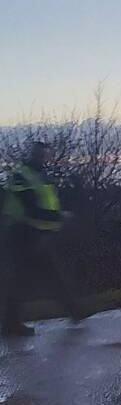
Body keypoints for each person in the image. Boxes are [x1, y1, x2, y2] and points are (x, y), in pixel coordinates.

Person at [1, 141, 84, 336]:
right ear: (33, 155)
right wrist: (59, 217)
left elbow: (46, 202)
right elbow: (31, 209)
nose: (43, 158)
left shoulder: (40, 174)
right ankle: (73, 311)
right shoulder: (22, 175)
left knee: (39, 274)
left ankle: (73, 311)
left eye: (45, 155)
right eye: (40, 155)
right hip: (22, 232)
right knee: (34, 275)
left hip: (35, 232)